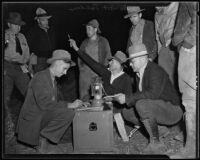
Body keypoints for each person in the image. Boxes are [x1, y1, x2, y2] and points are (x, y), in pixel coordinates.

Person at [113, 43, 183, 154]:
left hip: (173, 110)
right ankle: (160, 130)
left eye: (132, 61)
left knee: (141, 105)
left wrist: (127, 98)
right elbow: (140, 96)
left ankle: (156, 144)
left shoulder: (155, 70)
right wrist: (123, 99)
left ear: (142, 59)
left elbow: (153, 94)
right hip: (158, 108)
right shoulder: (138, 75)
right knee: (127, 112)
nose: (130, 64)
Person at [16, 50, 83, 154]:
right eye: (64, 69)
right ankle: (38, 139)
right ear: (57, 63)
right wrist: (70, 105)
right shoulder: (40, 77)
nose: (65, 73)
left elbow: (55, 103)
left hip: (41, 114)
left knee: (69, 112)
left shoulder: (52, 79)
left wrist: (72, 105)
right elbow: (45, 104)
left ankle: (43, 137)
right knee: (68, 110)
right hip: (33, 119)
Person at [69, 39, 133, 113]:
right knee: (84, 104)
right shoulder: (106, 72)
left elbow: (129, 101)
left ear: (119, 64)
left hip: (117, 110)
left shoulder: (126, 79)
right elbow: (91, 62)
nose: (109, 62)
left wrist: (116, 100)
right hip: (102, 107)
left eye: (112, 61)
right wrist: (76, 48)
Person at [170, 2, 197, 158]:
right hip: (190, 44)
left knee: (190, 99)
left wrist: (187, 44)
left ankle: (191, 149)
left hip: (191, 47)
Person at [4, 12, 31, 142]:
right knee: (4, 98)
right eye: (15, 25)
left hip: (21, 68)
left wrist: (27, 66)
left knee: (30, 94)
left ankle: (29, 127)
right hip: (7, 67)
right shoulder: (4, 35)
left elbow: (27, 54)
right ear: (9, 24)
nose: (18, 27)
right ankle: (8, 128)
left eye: (20, 25)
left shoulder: (22, 36)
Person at [77, 19, 112, 101]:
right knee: (84, 97)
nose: (87, 31)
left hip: (97, 74)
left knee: (97, 96)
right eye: (86, 28)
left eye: (89, 28)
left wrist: (103, 71)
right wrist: (81, 70)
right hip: (85, 75)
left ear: (95, 29)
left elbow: (108, 56)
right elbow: (79, 56)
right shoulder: (84, 42)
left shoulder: (103, 41)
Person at [155, 2, 179, 85]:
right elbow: (157, 36)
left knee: (180, 77)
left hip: (177, 45)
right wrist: (160, 52)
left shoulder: (177, 6)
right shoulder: (157, 15)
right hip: (164, 47)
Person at [26, 7, 56, 74]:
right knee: (40, 79)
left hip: (51, 58)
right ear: (38, 21)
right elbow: (29, 49)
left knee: (51, 79)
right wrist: (30, 64)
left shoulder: (51, 30)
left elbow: (55, 45)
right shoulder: (33, 31)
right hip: (39, 61)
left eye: (47, 19)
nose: (46, 22)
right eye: (43, 20)